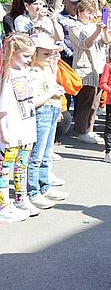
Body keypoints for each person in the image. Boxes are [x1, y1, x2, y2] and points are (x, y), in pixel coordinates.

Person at [0, 34, 38, 222]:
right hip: (11, 132)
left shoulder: (25, 73)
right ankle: (3, 204)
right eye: (26, 56)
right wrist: (3, 131)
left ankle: (21, 198)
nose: (30, 60)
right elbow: (2, 108)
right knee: (5, 169)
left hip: (26, 129)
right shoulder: (7, 76)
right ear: (13, 53)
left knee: (21, 166)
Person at [27, 33, 68, 210]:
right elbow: (35, 98)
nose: (51, 57)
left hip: (51, 110)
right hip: (42, 112)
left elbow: (52, 89)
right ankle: (33, 191)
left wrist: (57, 106)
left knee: (46, 152)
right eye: (46, 54)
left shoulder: (47, 69)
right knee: (37, 155)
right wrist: (52, 94)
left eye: (52, 53)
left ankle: (44, 186)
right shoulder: (32, 72)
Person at [69, 0, 111, 144]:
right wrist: (97, 32)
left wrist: (104, 30)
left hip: (98, 67)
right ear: (79, 12)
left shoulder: (95, 25)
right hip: (85, 68)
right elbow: (85, 44)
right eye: (88, 12)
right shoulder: (74, 26)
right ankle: (81, 130)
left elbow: (106, 42)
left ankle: (90, 129)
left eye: (92, 12)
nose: (90, 15)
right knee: (85, 101)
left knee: (95, 101)